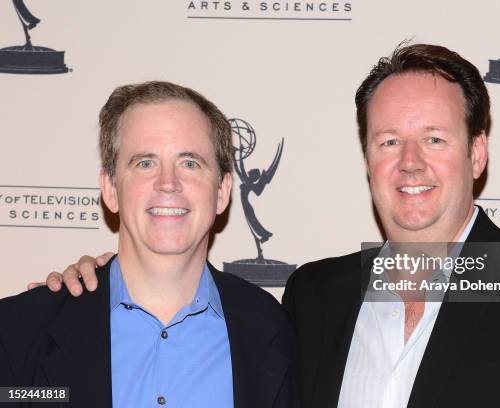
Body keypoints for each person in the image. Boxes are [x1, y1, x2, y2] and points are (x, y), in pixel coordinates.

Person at [38, 44, 500, 408]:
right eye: (389, 141)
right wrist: (96, 285)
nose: (410, 162)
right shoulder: (315, 296)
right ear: (367, 157)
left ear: (477, 153)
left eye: (435, 139)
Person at [1, 81, 300, 408]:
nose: (168, 183)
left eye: (190, 163)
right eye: (145, 162)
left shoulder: (272, 329)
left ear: (222, 191)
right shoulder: (19, 330)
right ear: (111, 189)